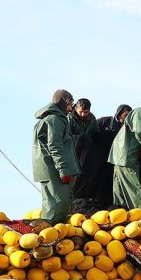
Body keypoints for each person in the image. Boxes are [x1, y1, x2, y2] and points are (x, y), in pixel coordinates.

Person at [32, 89, 81, 224]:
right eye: (70, 104)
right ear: (63, 102)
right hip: (54, 169)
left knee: (58, 204)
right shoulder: (55, 120)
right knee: (57, 205)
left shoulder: (53, 119)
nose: (71, 108)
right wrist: (63, 170)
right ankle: (48, 239)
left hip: (50, 168)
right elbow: (54, 146)